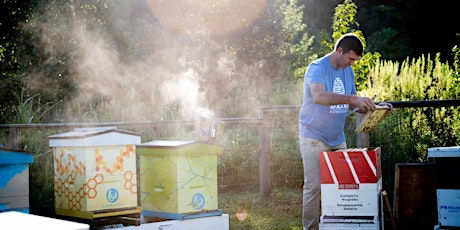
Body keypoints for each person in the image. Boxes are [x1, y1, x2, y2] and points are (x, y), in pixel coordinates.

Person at [298, 33, 392, 230]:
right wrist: (352, 99)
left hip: (337, 137)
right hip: (313, 136)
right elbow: (319, 96)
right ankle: (311, 228)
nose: (351, 64)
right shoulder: (317, 68)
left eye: (355, 61)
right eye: (350, 59)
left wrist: (376, 107)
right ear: (339, 51)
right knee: (314, 186)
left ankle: (339, 226)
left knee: (344, 185)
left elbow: (354, 105)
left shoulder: (348, 72)